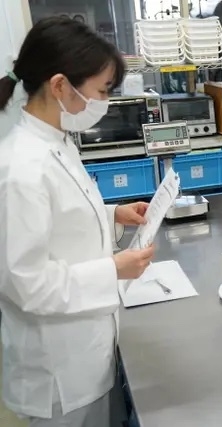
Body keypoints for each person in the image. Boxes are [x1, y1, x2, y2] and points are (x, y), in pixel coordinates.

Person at [0, 17, 155, 426]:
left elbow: (58, 221)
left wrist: (112, 214)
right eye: (102, 91)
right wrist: (114, 269)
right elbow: (27, 284)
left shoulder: (57, 142)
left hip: (90, 351)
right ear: (59, 86)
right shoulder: (20, 168)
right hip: (60, 376)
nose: (104, 102)